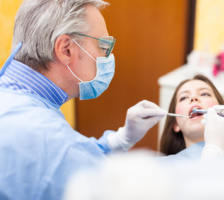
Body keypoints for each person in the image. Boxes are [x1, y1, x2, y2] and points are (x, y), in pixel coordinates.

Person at [0, 0, 167, 199]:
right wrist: (211, 155)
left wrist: (120, 140)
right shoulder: (54, 142)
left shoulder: (13, 98)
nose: (108, 57)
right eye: (104, 46)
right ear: (66, 49)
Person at [159, 74, 224, 159]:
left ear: (222, 111)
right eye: (183, 98)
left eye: (205, 94)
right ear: (175, 124)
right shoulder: (159, 168)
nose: (193, 97)